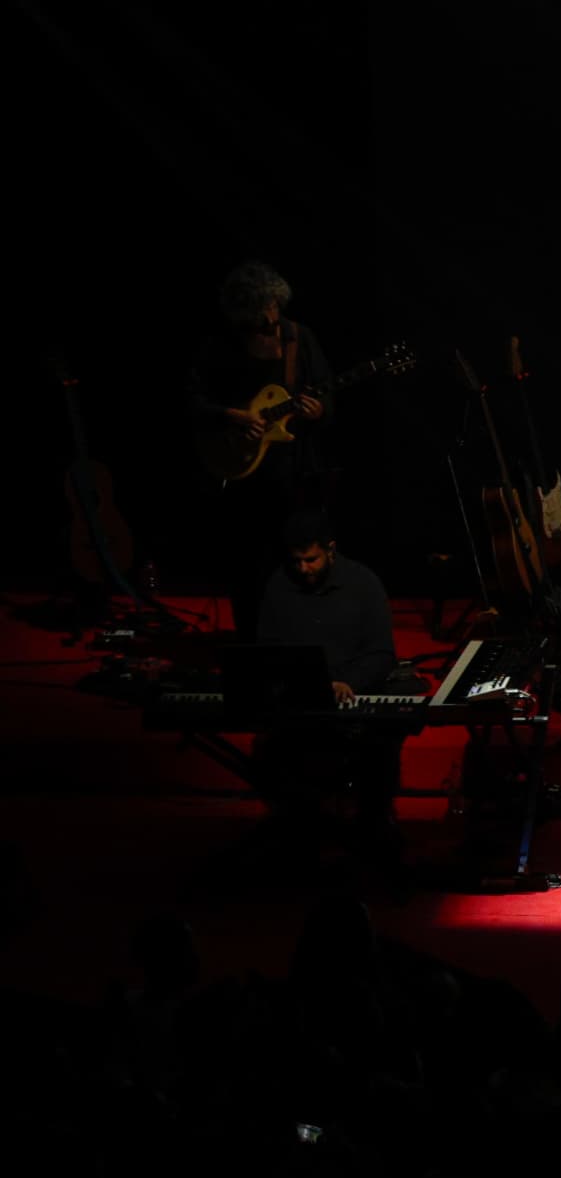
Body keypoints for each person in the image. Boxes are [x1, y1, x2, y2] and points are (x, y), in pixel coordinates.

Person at [248, 511, 406, 858]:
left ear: (331, 550)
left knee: (381, 743)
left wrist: (348, 682)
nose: (303, 569)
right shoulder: (279, 584)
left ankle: (372, 827)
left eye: (311, 560)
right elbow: (267, 650)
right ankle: (297, 830)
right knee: (273, 750)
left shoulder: (364, 583)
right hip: (297, 703)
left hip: (354, 703)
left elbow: (382, 654)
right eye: (297, 561)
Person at [192, 262, 338, 632]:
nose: (271, 316)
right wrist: (233, 416)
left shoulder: (298, 338)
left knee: (299, 552)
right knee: (249, 562)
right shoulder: (221, 345)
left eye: (273, 305)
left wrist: (319, 410)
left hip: (295, 468)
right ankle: (253, 637)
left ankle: (302, 631)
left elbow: (326, 392)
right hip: (242, 471)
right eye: (260, 310)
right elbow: (190, 402)